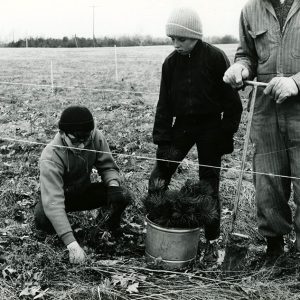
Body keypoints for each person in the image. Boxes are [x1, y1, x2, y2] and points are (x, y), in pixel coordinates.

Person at [148, 7, 243, 253]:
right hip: (182, 126)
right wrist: (163, 141)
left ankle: (212, 240)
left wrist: (225, 134)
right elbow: (164, 105)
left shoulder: (215, 57)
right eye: (173, 39)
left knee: (209, 184)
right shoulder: (170, 64)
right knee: (159, 175)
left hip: (211, 125)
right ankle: (158, 225)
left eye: (182, 39)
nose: (176, 44)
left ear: (196, 36)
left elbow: (233, 103)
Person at [223, 0, 300, 262]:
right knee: (268, 183)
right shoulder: (250, 10)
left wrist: (296, 83)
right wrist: (240, 68)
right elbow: (246, 55)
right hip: (265, 112)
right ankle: (275, 248)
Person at [34, 105, 130, 264]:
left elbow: (108, 167)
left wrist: (113, 186)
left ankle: (108, 226)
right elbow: (53, 202)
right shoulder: (51, 157)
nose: (82, 145)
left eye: (86, 139)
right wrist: (71, 244)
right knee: (42, 215)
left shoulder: (96, 137)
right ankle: (60, 240)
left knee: (123, 193)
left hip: (83, 192)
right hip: (60, 198)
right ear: (62, 134)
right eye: (76, 140)